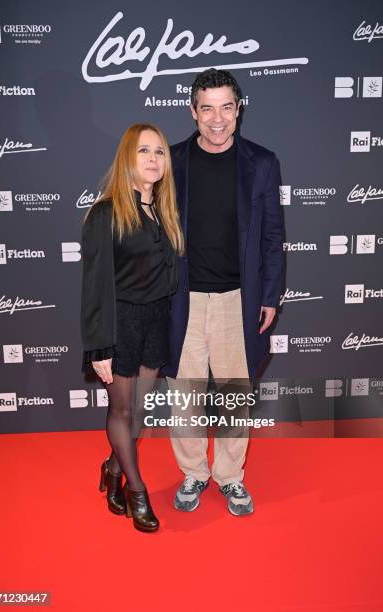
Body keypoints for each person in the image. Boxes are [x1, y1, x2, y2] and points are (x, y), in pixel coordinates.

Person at [164, 69, 285, 516]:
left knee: (236, 398)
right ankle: (194, 473)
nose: (218, 119)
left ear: (239, 110)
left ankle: (230, 477)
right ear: (192, 111)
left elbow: (273, 236)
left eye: (226, 107)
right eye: (207, 108)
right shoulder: (170, 162)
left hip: (239, 300)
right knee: (185, 398)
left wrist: (269, 295)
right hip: (183, 302)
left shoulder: (263, 163)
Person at [81, 123, 183, 532]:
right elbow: (95, 285)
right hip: (120, 322)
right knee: (121, 410)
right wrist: (99, 346)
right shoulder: (106, 212)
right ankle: (135, 489)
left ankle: (111, 467)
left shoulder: (164, 210)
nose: (154, 160)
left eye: (159, 152)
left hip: (156, 320)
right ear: (128, 157)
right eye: (144, 151)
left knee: (138, 413)